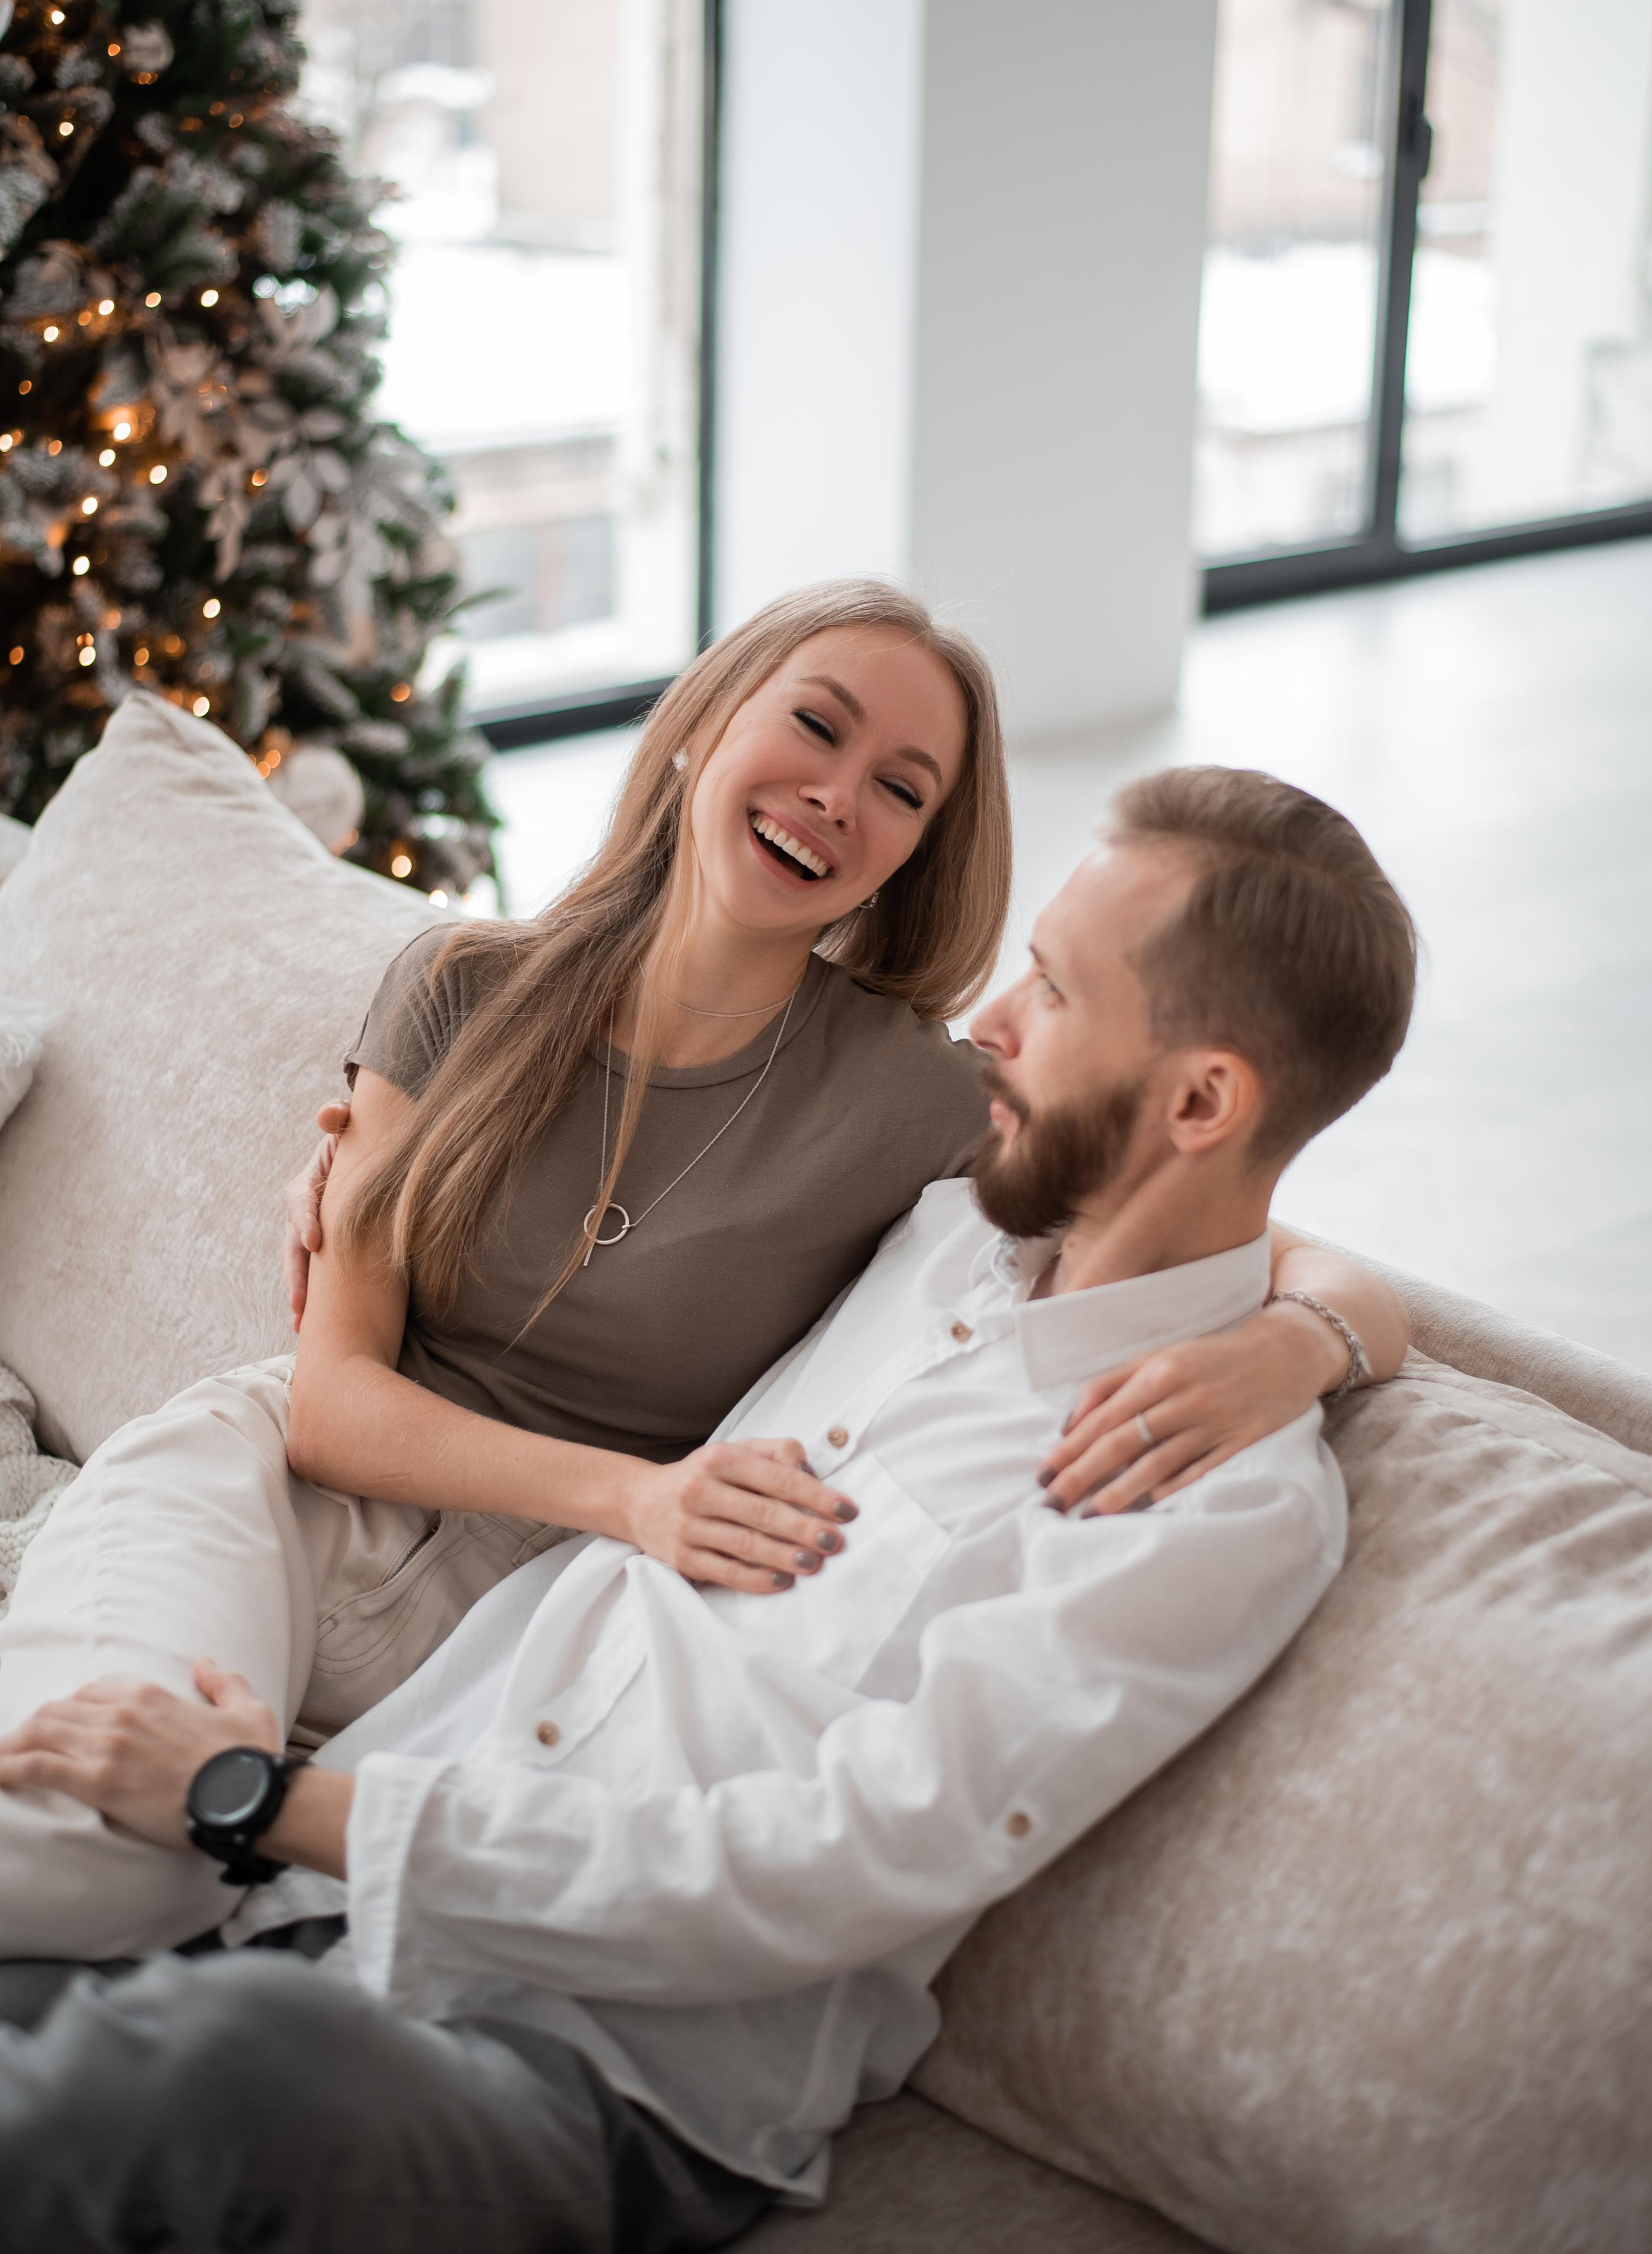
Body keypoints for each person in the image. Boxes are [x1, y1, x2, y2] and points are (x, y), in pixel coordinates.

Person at [0, 766, 1417, 2254]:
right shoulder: (945, 1225)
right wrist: (373, 1163)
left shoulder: (1214, 1510)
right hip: (305, 1917)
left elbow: (829, 1864)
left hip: (588, 2074)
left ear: (1199, 1099)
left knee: (212, 2080)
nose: (987, 1026)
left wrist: (265, 1801)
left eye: (1053, 992)